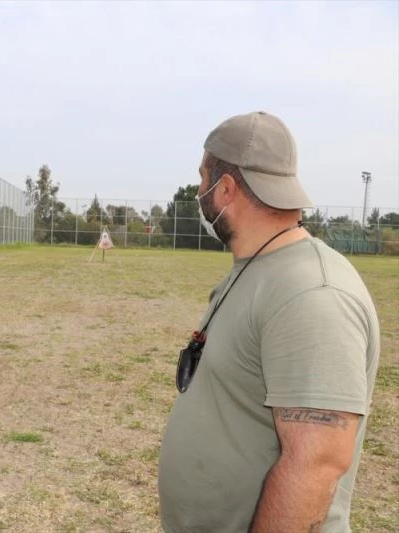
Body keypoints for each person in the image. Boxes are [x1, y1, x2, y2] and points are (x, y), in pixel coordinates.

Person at [158, 111, 380, 533]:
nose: (199, 192)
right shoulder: (257, 267)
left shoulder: (312, 293)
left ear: (225, 190)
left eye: (203, 180)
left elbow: (316, 464)